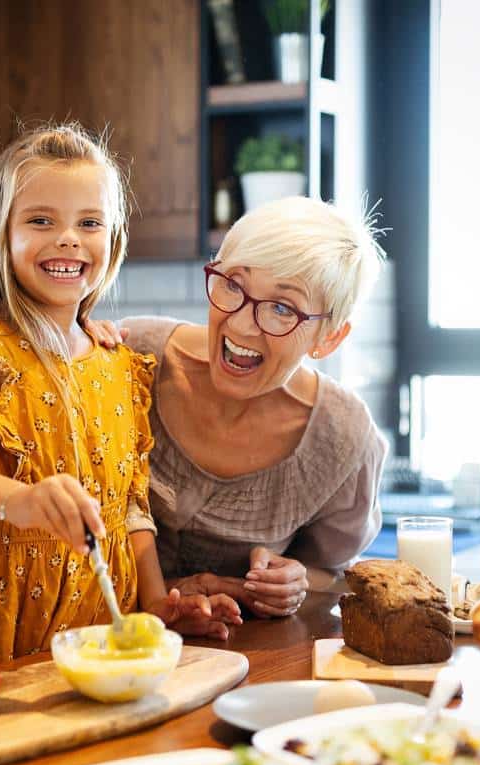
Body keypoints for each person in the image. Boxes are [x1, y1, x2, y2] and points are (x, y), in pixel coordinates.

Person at [0, 124, 241, 662]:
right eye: (41, 220)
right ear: (1, 233)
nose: (68, 238)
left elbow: (130, 507)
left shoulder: (120, 363)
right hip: (3, 630)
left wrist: (156, 605)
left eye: (89, 223)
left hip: (110, 631)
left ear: (114, 238)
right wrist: (20, 502)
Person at [114, 197, 388, 619]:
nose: (241, 324)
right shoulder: (130, 356)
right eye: (233, 285)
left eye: (281, 308)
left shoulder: (343, 438)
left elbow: (332, 574)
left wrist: (295, 579)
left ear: (329, 338)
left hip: (240, 653)